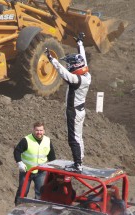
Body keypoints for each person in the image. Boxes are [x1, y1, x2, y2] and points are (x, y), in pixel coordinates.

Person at [45, 32, 91, 172]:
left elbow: (63, 72)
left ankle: (78, 164)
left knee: (73, 139)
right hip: (79, 110)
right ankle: (79, 161)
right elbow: (83, 59)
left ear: (75, 66)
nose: (69, 66)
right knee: (78, 137)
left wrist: (52, 60)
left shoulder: (76, 80)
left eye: (71, 65)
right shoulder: (86, 75)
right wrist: (80, 43)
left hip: (74, 112)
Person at [14, 121, 56, 205]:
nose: (39, 132)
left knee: (40, 193)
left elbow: (51, 156)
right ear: (33, 130)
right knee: (23, 191)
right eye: (37, 130)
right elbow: (17, 151)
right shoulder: (26, 140)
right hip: (26, 171)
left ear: (44, 131)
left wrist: (53, 168)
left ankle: (38, 212)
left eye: (41, 130)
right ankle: (17, 209)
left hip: (41, 172)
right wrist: (19, 163)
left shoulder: (47, 141)